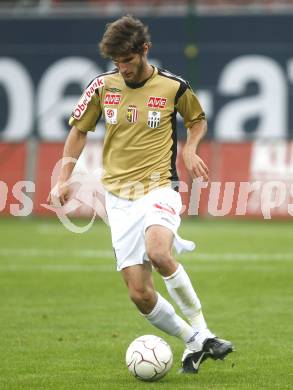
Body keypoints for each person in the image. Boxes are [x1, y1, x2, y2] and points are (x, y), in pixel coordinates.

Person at [48, 15, 234, 373]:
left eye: (128, 61)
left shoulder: (173, 87)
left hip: (160, 187)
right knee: (140, 294)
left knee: (159, 252)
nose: (124, 69)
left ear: (144, 50)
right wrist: (64, 177)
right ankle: (193, 340)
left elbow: (197, 120)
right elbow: (79, 131)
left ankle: (205, 330)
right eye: (117, 63)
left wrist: (191, 148)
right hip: (119, 199)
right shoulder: (102, 86)